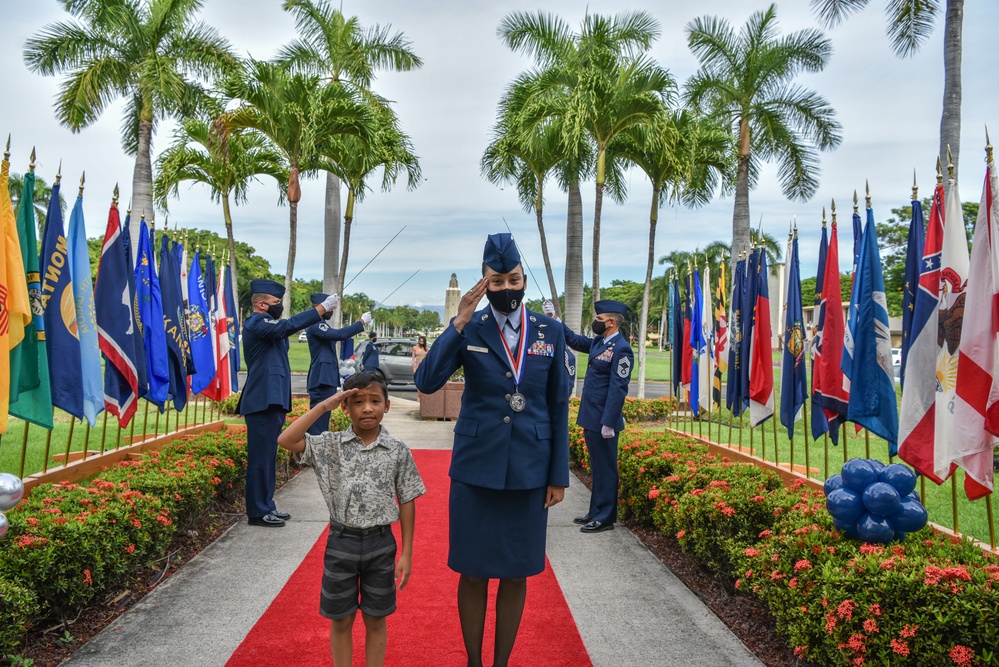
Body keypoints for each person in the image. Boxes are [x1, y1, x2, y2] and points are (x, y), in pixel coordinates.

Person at [415, 232, 570, 667]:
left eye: (513, 280)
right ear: (483, 283)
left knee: (518, 569)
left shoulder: (550, 331)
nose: (506, 289)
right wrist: (459, 321)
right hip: (477, 469)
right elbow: (426, 381)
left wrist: (558, 474)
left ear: (525, 279)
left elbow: (558, 406)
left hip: (529, 469)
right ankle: (474, 662)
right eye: (496, 282)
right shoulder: (472, 328)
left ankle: (500, 663)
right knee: (473, 568)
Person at [277, 371, 426, 667]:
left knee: (375, 618)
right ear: (345, 407)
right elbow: (286, 439)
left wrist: (407, 552)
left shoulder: (397, 450)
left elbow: (407, 500)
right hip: (341, 543)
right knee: (341, 619)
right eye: (357, 402)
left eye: (374, 401)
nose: (367, 408)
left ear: (387, 405)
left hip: (381, 544)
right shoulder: (329, 445)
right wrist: (323, 406)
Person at [237, 280, 338, 527]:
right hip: (261, 400)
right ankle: (258, 512)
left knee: (268, 456)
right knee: (260, 458)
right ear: (261, 304)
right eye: (275, 302)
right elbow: (287, 326)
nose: (279, 306)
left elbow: (285, 328)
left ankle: (266, 505)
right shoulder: (256, 323)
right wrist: (320, 310)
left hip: (272, 400)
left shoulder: (269, 326)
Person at [554, 299, 634, 534]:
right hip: (591, 417)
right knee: (597, 468)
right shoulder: (601, 341)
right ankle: (595, 510)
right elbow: (577, 341)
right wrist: (558, 321)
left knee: (606, 469)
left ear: (610, 322)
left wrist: (609, 422)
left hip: (603, 421)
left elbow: (618, 388)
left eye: (599, 320)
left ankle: (606, 517)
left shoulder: (622, 349)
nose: (595, 323)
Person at [305, 293, 372, 436]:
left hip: (325, 374)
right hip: (322, 375)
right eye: (329, 307)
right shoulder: (316, 324)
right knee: (319, 416)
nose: (331, 311)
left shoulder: (320, 324)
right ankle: (316, 446)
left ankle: (319, 443)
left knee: (324, 415)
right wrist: (361, 322)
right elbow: (339, 335)